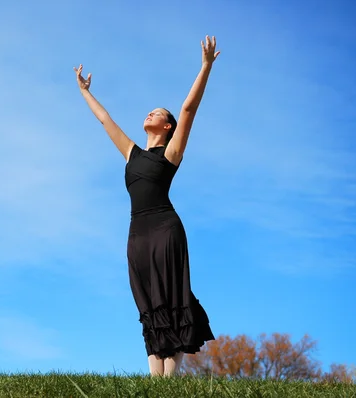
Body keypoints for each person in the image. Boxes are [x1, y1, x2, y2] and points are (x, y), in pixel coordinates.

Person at [74, 36, 220, 377]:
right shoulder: (132, 153)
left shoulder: (171, 154)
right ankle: (156, 383)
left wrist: (206, 67)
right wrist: (84, 92)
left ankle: (171, 380)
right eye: (150, 110)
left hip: (166, 230)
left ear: (167, 127)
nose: (150, 112)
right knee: (149, 303)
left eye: (158, 112)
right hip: (137, 235)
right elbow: (105, 120)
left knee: (172, 298)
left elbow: (188, 109)